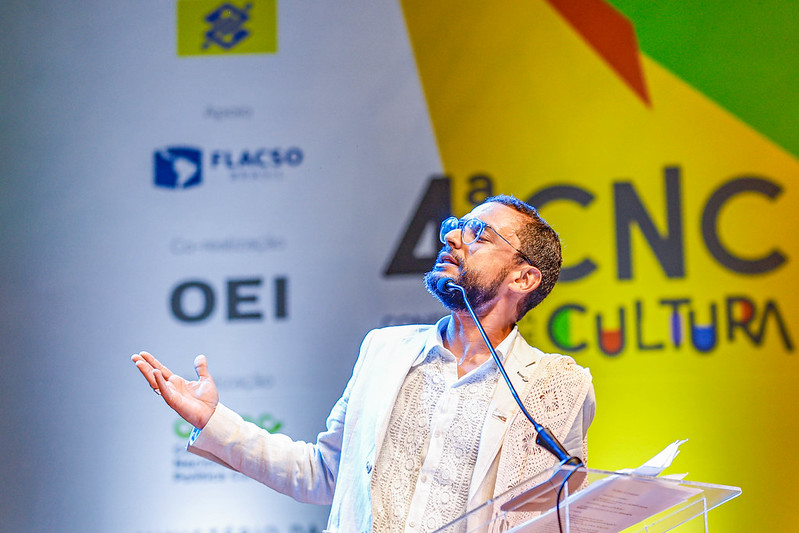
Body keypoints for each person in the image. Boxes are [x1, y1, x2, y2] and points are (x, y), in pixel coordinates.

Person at [132, 194, 595, 532]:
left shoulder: (556, 386)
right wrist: (213, 420)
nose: (452, 235)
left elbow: (553, 514)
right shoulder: (384, 351)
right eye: (457, 225)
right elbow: (324, 473)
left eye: (480, 235)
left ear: (524, 276)